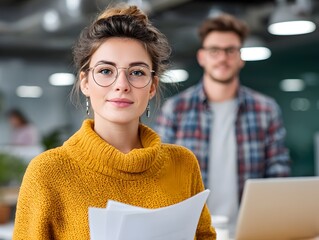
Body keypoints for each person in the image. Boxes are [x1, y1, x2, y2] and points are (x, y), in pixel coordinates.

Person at [13, 4, 216, 239]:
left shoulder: (182, 164)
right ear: (85, 82)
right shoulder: (48, 172)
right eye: (106, 71)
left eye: (137, 72)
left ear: (152, 86)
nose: (121, 84)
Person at [155, 13, 290, 234]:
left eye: (230, 50)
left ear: (240, 57)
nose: (222, 58)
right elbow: (161, 173)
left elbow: (278, 172)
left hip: (252, 232)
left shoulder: (266, 109)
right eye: (214, 50)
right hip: (192, 232)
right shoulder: (176, 109)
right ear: (202, 57)